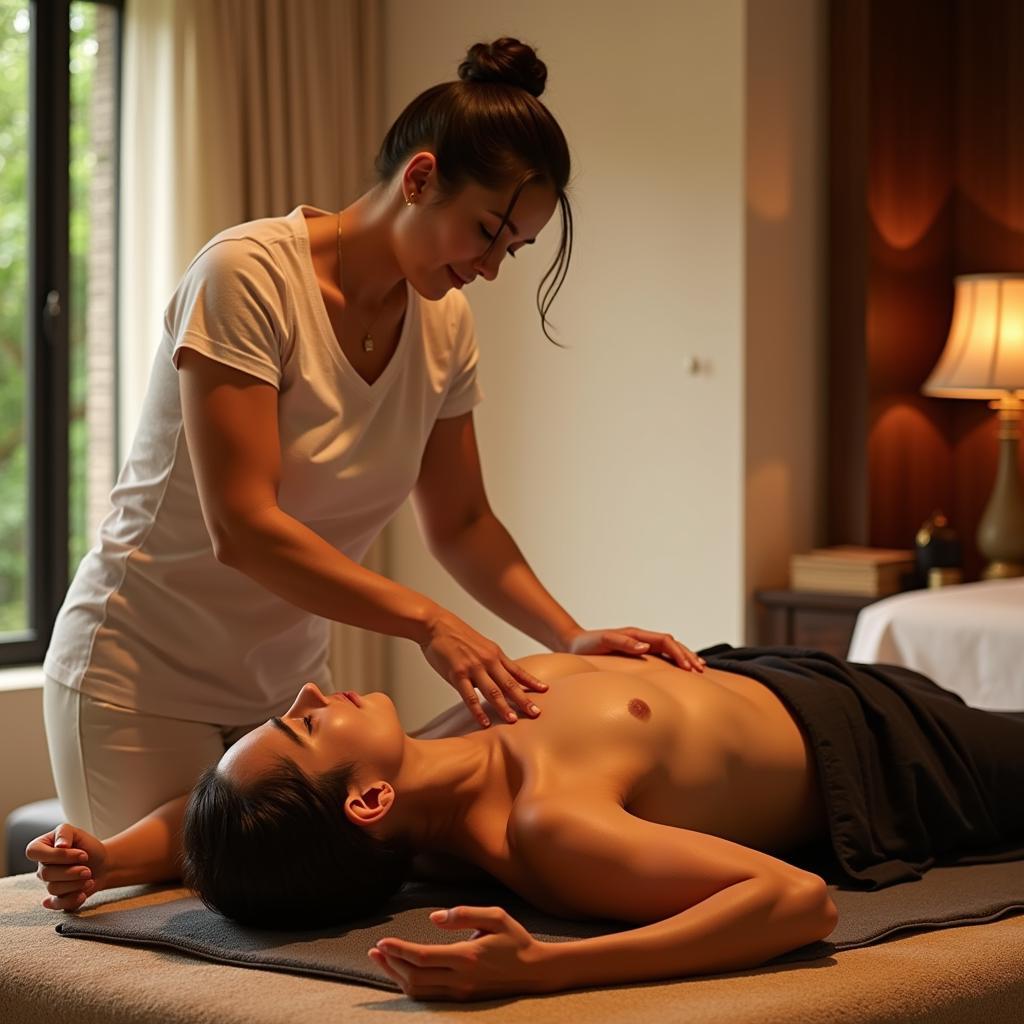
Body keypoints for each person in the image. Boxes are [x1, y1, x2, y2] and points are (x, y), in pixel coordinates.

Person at [33, 36, 704, 901]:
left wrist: (567, 635)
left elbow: (462, 523)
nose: (493, 267)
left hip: (288, 693)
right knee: (164, 927)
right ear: (419, 178)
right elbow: (242, 528)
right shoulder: (246, 276)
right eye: (488, 233)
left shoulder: (445, 324)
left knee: (309, 915)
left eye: (516, 249)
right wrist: (428, 623)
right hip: (140, 674)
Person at [40, 644, 1019, 1002]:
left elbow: (228, 818)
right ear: (367, 802)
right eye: (305, 722)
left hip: (771, 669)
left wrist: (112, 856)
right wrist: (545, 970)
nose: (309, 688)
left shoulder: (440, 733)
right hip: (886, 756)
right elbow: (793, 901)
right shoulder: (546, 827)